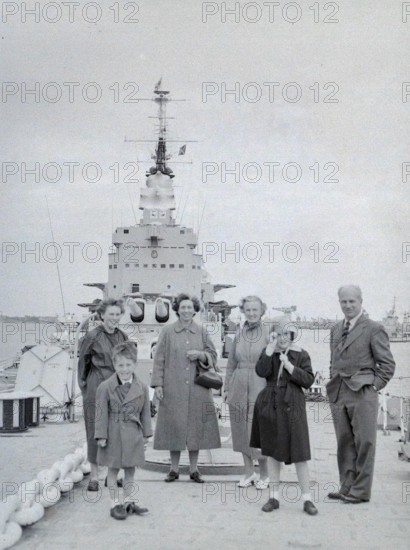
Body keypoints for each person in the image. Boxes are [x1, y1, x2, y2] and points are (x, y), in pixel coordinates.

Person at [326, 285, 395, 503]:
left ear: (361, 301)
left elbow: (387, 364)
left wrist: (373, 387)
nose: (347, 305)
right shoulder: (336, 329)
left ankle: (361, 491)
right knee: (344, 441)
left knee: (365, 442)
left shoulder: (374, 328)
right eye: (343, 302)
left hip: (363, 393)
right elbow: (333, 361)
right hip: (339, 392)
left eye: (352, 301)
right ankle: (346, 487)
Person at [150, 293, 221, 483]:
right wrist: (158, 384)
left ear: (195, 310)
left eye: (190, 307)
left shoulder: (202, 331)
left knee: (196, 428)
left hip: (198, 389)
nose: (187, 311)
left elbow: (213, 356)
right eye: (183, 307)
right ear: (177, 309)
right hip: (173, 388)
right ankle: (173, 469)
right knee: (174, 427)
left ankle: (194, 469)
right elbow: (159, 359)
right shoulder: (167, 331)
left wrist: (200, 355)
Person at [250, 319, 318, 515]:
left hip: (294, 404)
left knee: (300, 452)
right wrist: (270, 349)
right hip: (270, 404)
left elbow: (308, 380)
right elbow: (261, 371)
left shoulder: (301, 354)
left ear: (291, 336)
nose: (282, 338)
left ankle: (307, 499)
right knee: (272, 451)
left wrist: (289, 367)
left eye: (286, 334)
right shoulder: (269, 352)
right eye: (278, 334)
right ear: (273, 336)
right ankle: (274, 497)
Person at [95, 341, 152, 520]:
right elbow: (101, 413)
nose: (125, 369)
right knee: (113, 470)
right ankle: (114, 504)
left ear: (135, 364)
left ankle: (128, 501)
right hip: (113, 433)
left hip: (133, 434)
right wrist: (101, 436)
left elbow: (145, 412)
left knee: (130, 470)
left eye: (128, 365)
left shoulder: (142, 387)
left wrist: (146, 435)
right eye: (120, 365)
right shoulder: (105, 387)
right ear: (114, 365)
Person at [77, 298, 128, 491]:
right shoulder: (92, 336)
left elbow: (127, 364)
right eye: (111, 314)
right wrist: (84, 388)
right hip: (95, 387)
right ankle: (94, 476)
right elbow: (83, 364)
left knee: (116, 433)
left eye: (117, 314)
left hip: (117, 387)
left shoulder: (123, 336)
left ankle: (111, 475)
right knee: (94, 431)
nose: (114, 318)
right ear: (102, 315)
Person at [224, 296, 270, 488]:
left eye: (255, 310)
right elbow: (231, 363)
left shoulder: (268, 333)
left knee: (259, 429)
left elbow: (275, 361)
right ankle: (248, 472)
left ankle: (265, 475)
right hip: (239, 382)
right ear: (243, 311)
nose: (251, 313)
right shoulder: (239, 332)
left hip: (260, 383)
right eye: (248, 310)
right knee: (240, 428)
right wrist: (226, 387)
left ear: (261, 311)